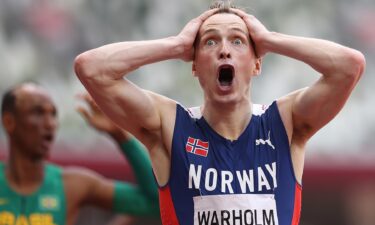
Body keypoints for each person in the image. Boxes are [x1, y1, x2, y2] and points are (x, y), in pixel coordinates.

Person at [74, 1, 365, 224]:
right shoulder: (171, 125)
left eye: (237, 41)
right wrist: (175, 45)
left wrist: (269, 38)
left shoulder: (286, 123)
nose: (224, 50)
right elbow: (91, 68)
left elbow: (349, 66)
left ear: (256, 64)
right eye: (210, 41)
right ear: (195, 65)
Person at [0, 83, 159, 225]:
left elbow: (154, 202)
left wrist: (120, 136)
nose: (50, 123)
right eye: (38, 113)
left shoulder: (72, 185)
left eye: (53, 114)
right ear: (9, 122)